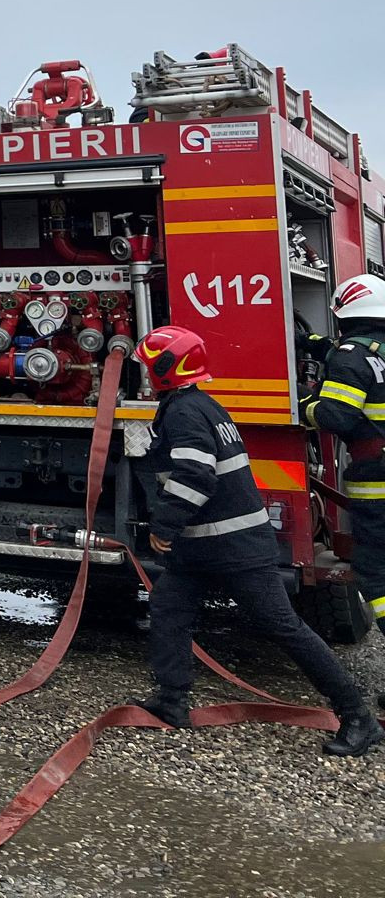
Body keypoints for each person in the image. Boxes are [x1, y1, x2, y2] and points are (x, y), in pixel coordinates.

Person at [134, 325, 379, 755]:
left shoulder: (185, 412)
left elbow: (195, 475)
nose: (144, 371)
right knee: (168, 610)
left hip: (233, 547)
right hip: (203, 547)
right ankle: (171, 702)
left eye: (149, 364)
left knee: (282, 626)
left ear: (165, 369)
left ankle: (357, 717)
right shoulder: (201, 405)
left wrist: (163, 526)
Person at [301, 275, 385, 652]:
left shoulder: (352, 355)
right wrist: (316, 346)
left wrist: (305, 406)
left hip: (378, 487)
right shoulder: (375, 349)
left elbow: (337, 416)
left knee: (377, 577)